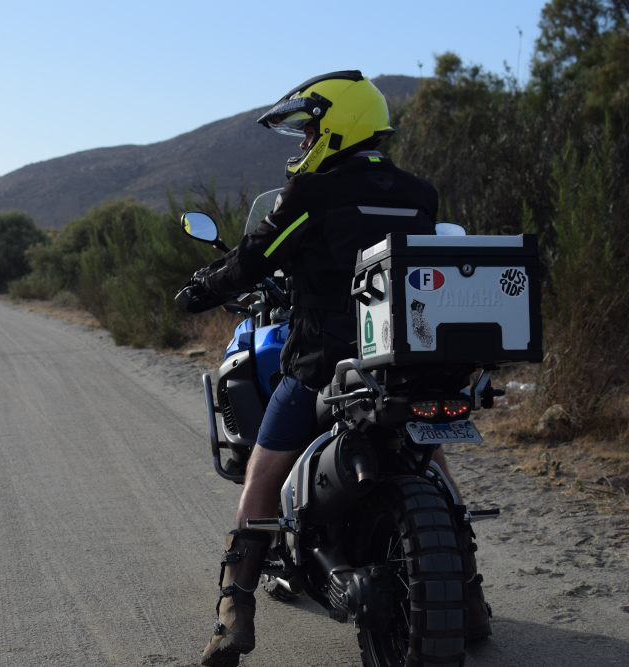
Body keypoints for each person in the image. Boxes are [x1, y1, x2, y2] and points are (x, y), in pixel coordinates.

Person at [190, 71, 486, 667]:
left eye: (307, 132)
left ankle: (234, 613)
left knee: (261, 475)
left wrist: (199, 289)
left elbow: (255, 258)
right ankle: (471, 595)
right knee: (433, 458)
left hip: (325, 367)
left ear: (334, 126)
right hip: (408, 364)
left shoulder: (311, 195)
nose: (302, 146)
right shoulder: (419, 193)